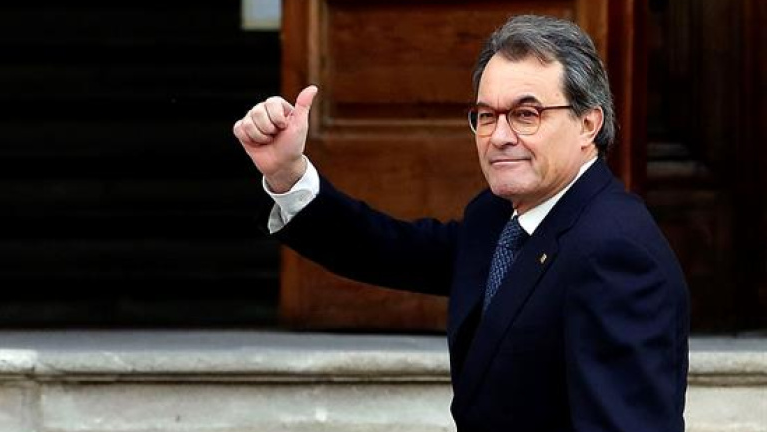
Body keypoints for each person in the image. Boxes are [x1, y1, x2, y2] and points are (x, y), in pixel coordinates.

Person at [233, 14, 689, 432]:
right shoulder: (498, 216)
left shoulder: (615, 253)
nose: (500, 136)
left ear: (588, 124)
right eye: (486, 116)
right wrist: (287, 174)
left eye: (526, 115)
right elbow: (390, 250)